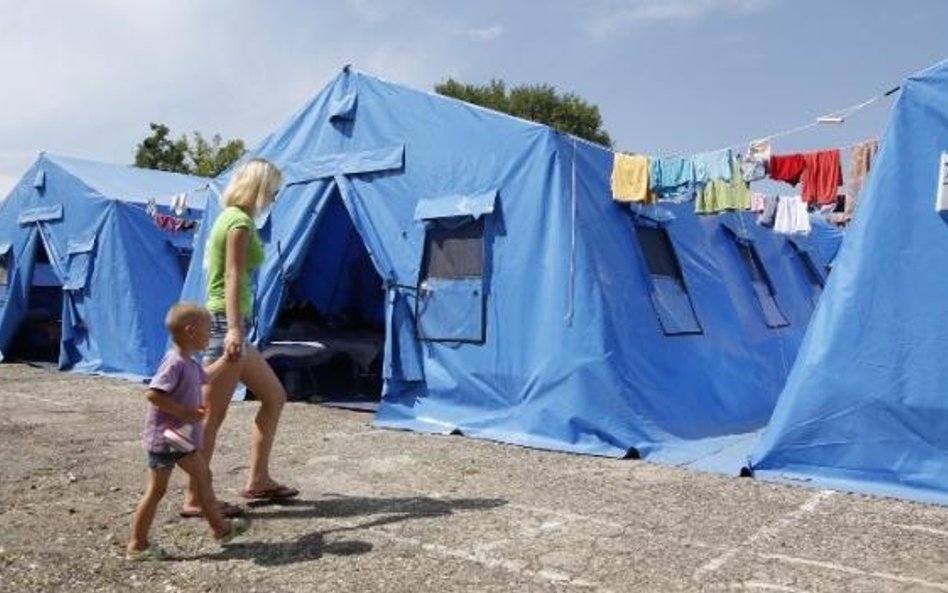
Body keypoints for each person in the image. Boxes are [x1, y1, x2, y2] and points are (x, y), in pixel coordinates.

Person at [181, 158, 297, 518]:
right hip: (224, 324)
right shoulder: (239, 222)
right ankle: (196, 498)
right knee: (211, 417)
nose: (274, 197)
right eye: (273, 190)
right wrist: (232, 328)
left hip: (230, 324)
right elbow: (232, 276)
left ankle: (258, 480)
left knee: (274, 396)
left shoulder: (228, 217)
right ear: (259, 188)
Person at [128, 302, 249, 561]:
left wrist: (226, 361)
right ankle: (137, 545)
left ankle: (221, 529)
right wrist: (184, 413)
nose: (210, 334)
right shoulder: (174, 363)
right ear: (191, 331)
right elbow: (153, 394)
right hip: (166, 439)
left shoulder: (189, 362)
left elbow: (205, 377)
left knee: (202, 475)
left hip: (178, 438)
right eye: (208, 329)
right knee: (157, 491)